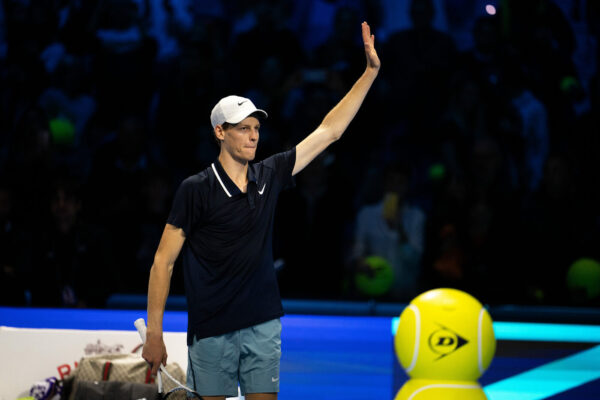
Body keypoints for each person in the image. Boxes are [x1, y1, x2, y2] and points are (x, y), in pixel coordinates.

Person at [142, 22, 380, 399]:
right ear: (220, 132)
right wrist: (154, 334)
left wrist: (369, 73)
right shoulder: (196, 189)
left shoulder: (269, 174)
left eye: (256, 127)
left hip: (263, 324)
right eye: (242, 128)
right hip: (212, 329)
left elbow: (329, 131)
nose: (253, 135)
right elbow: (162, 262)